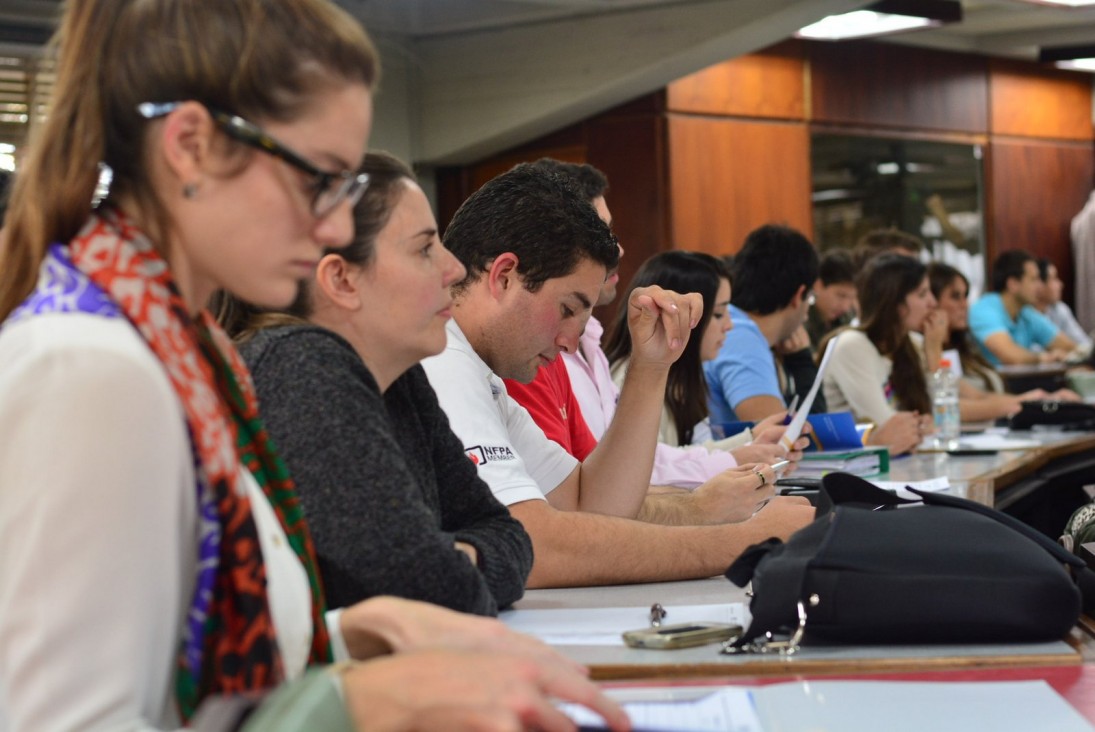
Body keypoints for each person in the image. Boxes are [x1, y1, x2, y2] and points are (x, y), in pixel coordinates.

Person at [0, 2, 627, 730]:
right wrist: (345, 700)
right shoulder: (91, 370)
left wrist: (347, 637)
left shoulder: (184, 356)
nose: (334, 227)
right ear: (192, 146)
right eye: (319, 177)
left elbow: (172, 671)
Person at [421, 163, 815, 588]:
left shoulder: (483, 375)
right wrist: (749, 540)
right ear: (503, 276)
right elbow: (532, 543)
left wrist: (651, 367)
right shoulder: (441, 361)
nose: (570, 342)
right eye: (568, 309)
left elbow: (589, 506)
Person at [223, 152, 533, 616]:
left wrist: (456, 558)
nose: (452, 269)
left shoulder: (399, 377)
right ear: (342, 279)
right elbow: (428, 587)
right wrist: (459, 560)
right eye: (424, 249)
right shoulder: (302, 368)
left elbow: (508, 537)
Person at [504, 158, 801, 490]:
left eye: (610, 232)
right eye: (596, 236)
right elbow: (592, 489)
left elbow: (628, 465)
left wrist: (741, 451)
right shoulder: (529, 352)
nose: (616, 249)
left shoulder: (587, 341)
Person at [605, 251, 733, 447]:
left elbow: (691, 454)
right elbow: (658, 466)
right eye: (718, 314)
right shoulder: (630, 377)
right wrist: (742, 451)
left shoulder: (681, 377)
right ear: (673, 314)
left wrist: (752, 439)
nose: (729, 325)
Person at [927, 262, 1079, 417]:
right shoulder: (985, 309)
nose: (965, 305)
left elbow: (979, 396)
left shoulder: (963, 348)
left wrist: (1040, 400)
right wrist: (1029, 402)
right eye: (955, 297)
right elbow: (951, 407)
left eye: (965, 296)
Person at [821, 255, 935, 455]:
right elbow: (890, 429)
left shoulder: (912, 344)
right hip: (849, 470)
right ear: (896, 303)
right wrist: (921, 427)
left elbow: (939, 418)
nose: (932, 303)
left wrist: (934, 353)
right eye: (922, 294)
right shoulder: (852, 346)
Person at [705, 224, 820, 424]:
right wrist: (803, 363)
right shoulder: (742, 337)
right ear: (798, 295)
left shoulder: (734, 323)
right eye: (810, 299)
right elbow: (782, 438)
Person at [969, 250, 1078, 365]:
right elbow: (1011, 356)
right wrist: (1046, 357)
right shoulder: (984, 310)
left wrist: (1077, 353)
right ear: (1013, 284)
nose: (1040, 286)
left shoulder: (1026, 312)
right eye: (1034, 279)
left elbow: (1068, 346)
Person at [806, 249, 857, 351]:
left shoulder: (848, 319)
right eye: (841, 296)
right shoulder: (802, 321)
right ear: (818, 285)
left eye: (852, 298)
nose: (845, 307)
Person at [1036, 257, 1092, 351]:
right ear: (1039, 285)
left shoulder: (1059, 309)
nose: (1060, 284)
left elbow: (1083, 343)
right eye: (1054, 279)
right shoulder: (1025, 314)